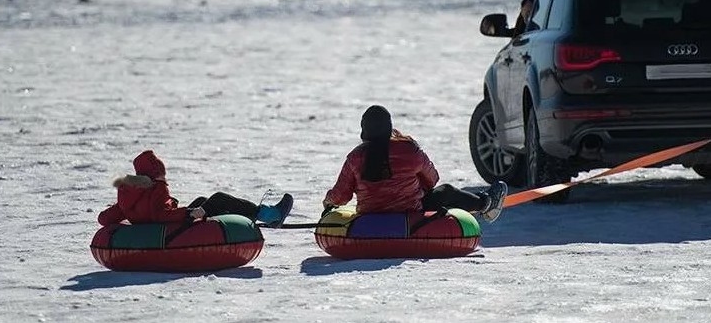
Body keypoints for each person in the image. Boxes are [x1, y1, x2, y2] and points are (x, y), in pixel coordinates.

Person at [323, 105, 508, 223]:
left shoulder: (355, 158)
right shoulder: (409, 149)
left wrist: (328, 202)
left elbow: (341, 196)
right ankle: (485, 204)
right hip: (410, 215)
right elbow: (433, 180)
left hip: (371, 215)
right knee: (446, 191)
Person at [97, 150, 293, 226]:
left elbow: (104, 218)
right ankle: (271, 215)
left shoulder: (127, 197)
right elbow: (160, 215)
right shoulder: (155, 188)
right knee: (218, 198)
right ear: (154, 174)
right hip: (170, 228)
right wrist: (190, 213)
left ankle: (257, 218)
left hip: (160, 228)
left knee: (202, 200)